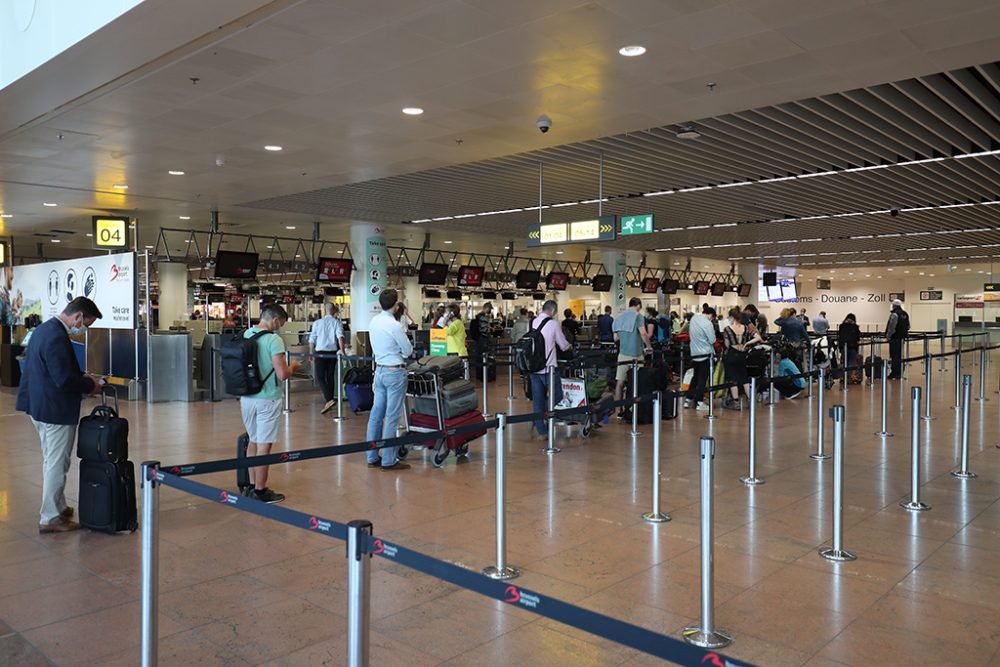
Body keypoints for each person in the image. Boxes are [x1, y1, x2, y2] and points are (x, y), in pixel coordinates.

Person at [17, 297, 104, 533]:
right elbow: (63, 379)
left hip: (40, 407)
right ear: (78, 317)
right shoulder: (56, 336)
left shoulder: (44, 329)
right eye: (88, 323)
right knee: (57, 463)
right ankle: (50, 518)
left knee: (53, 460)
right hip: (55, 410)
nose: (84, 328)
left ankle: (58, 505)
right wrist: (90, 385)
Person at [238, 304, 299, 503]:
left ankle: (251, 486)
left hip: (247, 397)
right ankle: (261, 491)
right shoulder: (274, 340)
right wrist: (293, 367)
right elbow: (282, 374)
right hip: (267, 398)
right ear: (275, 320)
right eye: (280, 323)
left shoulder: (247, 334)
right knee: (264, 445)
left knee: (253, 442)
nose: (280, 327)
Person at [366, 289, 414, 470]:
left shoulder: (374, 321)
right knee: (392, 416)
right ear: (395, 305)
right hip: (395, 373)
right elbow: (407, 350)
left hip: (378, 372)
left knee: (376, 415)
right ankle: (388, 460)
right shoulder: (394, 325)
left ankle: (372, 456)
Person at [528, 300, 571, 439]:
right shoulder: (553, 324)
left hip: (534, 368)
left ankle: (542, 430)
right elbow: (563, 345)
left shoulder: (532, 322)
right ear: (553, 311)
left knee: (537, 400)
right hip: (549, 368)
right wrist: (569, 346)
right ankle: (539, 417)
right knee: (557, 396)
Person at [612, 297, 652, 420]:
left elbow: (615, 339)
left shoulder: (618, 318)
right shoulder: (638, 316)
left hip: (623, 354)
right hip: (637, 354)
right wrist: (649, 346)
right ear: (638, 305)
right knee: (636, 383)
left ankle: (619, 411)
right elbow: (643, 333)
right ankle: (634, 409)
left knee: (619, 383)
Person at [722, 307, 762, 409]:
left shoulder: (727, 329)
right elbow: (758, 338)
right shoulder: (746, 328)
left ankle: (736, 402)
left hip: (731, 355)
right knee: (744, 378)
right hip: (742, 355)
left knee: (732, 379)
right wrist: (746, 343)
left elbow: (727, 344)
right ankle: (751, 400)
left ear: (731, 317)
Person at [309, 302, 346, 415]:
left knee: (320, 377)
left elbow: (312, 339)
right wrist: (343, 351)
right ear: (334, 310)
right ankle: (330, 400)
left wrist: (311, 353)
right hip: (332, 353)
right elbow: (340, 337)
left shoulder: (317, 323)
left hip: (320, 353)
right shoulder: (336, 323)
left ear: (325, 310)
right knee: (330, 376)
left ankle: (329, 399)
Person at [684, 307, 715, 411]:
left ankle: (688, 399)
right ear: (710, 315)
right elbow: (712, 340)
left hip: (694, 353)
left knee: (695, 377)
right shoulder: (707, 323)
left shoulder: (694, 318)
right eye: (711, 318)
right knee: (702, 378)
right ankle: (699, 402)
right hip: (705, 354)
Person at [885, 299, 909, 379]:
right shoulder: (905, 314)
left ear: (894, 305)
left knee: (894, 356)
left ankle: (895, 373)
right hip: (902, 338)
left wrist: (888, 336)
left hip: (895, 338)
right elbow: (908, 326)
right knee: (900, 355)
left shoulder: (895, 314)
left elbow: (892, 327)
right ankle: (900, 371)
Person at [837, 313, 862, 384]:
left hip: (844, 347)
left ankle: (843, 377)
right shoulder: (855, 326)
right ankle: (848, 377)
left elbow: (840, 337)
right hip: (853, 346)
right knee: (851, 362)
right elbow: (858, 338)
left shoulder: (842, 326)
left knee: (844, 362)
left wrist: (840, 347)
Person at [470, 302, 493, 375]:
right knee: (483, 356)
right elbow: (485, 330)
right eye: (489, 309)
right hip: (483, 339)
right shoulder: (483, 317)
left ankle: (479, 373)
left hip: (478, 339)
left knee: (479, 356)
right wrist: (490, 329)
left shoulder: (478, 316)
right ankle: (483, 373)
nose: (490, 311)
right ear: (486, 308)